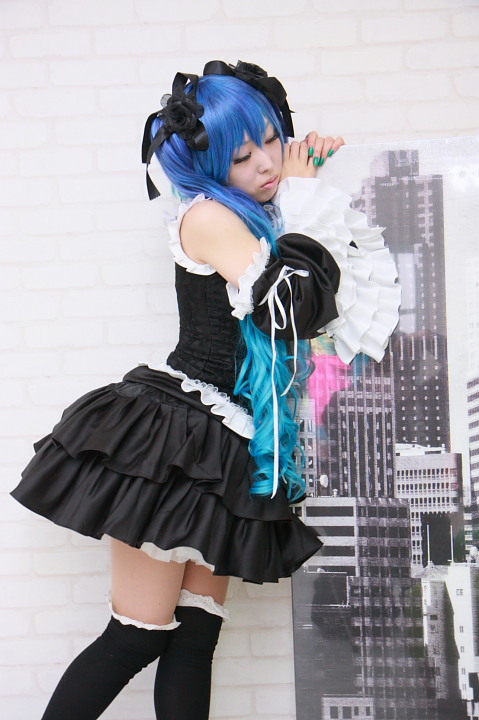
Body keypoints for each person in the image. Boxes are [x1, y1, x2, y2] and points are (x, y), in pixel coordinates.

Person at [11, 60, 400, 720]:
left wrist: (299, 192)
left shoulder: (258, 215)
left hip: (228, 443)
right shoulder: (209, 217)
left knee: (194, 641)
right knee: (135, 637)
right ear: (209, 164)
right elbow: (289, 308)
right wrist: (304, 195)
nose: (266, 162)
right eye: (241, 155)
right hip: (176, 439)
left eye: (271, 140)